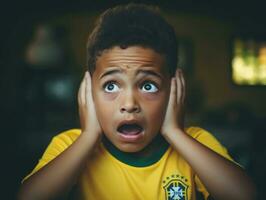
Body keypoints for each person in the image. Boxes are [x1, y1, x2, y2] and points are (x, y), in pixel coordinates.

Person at [18, 3, 256, 200]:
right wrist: (89, 137)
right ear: (89, 92)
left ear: (174, 90)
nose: (130, 103)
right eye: (111, 86)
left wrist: (175, 132)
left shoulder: (195, 142)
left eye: (148, 86)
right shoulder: (70, 145)